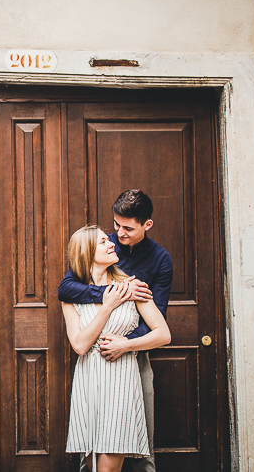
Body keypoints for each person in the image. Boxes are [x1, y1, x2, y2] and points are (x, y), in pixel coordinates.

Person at [58, 189, 174, 472]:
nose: (117, 235)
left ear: (146, 225)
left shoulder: (160, 260)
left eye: (127, 228)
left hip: (130, 359)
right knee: (91, 454)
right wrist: (111, 294)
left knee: (138, 443)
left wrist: (124, 345)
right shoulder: (106, 248)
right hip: (91, 371)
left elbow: (158, 322)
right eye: (116, 226)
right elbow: (66, 289)